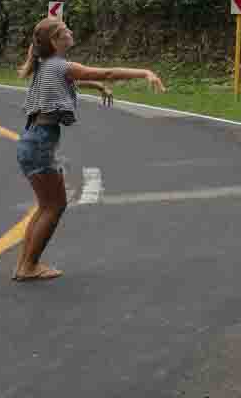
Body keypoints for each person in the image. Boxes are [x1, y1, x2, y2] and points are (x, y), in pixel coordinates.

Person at [13, 15, 166, 281]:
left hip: (32, 140)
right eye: (65, 30)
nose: (70, 31)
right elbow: (106, 72)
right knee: (54, 206)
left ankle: (25, 264)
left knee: (45, 206)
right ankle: (28, 266)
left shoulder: (45, 64)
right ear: (55, 40)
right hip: (39, 144)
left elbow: (72, 80)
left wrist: (94, 85)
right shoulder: (60, 65)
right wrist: (145, 72)